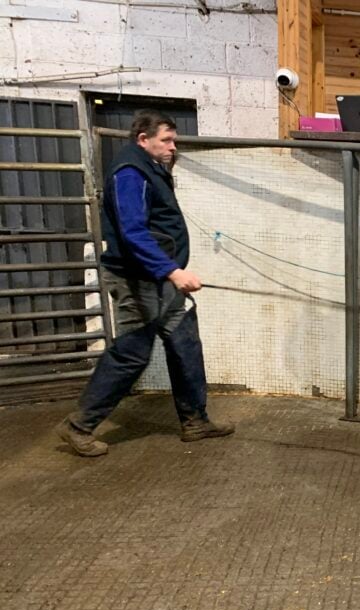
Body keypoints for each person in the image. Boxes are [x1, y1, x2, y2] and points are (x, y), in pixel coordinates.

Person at [56, 109, 234, 457]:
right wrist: (173, 272)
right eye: (166, 140)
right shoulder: (130, 173)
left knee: (184, 343)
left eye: (174, 141)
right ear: (143, 139)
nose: (173, 148)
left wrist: (169, 272)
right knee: (132, 354)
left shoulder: (150, 169)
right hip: (137, 280)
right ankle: (78, 426)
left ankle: (195, 420)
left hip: (158, 280)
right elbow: (133, 232)